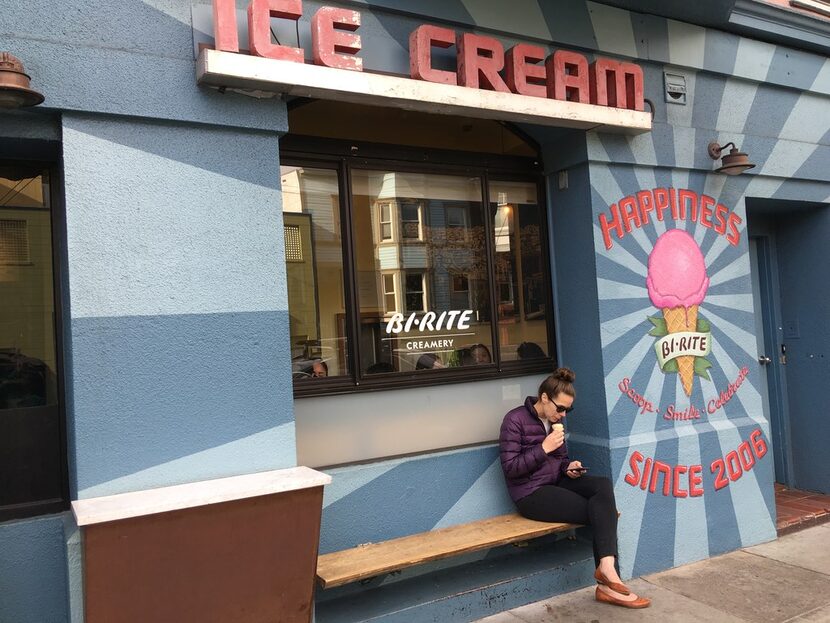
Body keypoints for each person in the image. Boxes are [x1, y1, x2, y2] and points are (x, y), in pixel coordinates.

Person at [498, 367, 651, 609]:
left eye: (568, 410)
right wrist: (543, 448)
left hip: (556, 482)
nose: (563, 414)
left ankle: (607, 569)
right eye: (560, 408)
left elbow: (559, 462)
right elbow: (511, 468)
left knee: (602, 486)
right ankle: (609, 584)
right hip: (531, 493)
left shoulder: (553, 422)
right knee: (599, 511)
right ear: (545, 398)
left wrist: (569, 467)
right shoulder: (514, 420)